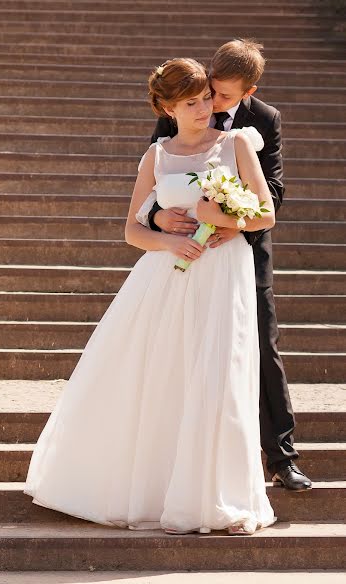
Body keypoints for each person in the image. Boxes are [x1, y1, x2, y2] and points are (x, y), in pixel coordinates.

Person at [24, 57, 277, 536]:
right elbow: (131, 231)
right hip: (166, 273)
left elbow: (265, 213)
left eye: (206, 98)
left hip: (223, 271)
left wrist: (225, 219)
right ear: (167, 107)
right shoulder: (156, 156)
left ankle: (208, 497)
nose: (204, 109)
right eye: (192, 102)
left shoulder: (237, 142)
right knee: (161, 373)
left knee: (218, 375)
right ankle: (154, 489)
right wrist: (168, 239)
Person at [139, 39, 312, 491]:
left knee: (260, 346)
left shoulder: (263, 122)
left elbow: (272, 191)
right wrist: (158, 218)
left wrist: (235, 222)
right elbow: (159, 181)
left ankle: (280, 457)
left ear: (249, 91)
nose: (212, 105)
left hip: (244, 252)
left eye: (225, 97)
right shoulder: (185, 102)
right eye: (210, 92)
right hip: (182, 251)